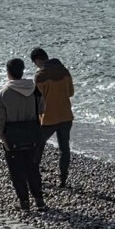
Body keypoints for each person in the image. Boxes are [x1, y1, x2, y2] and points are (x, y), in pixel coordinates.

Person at [0, 57, 46, 211]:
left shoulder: (4, 94)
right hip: (32, 135)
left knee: (17, 171)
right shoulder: (35, 89)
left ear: (8, 72)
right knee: (33, 168)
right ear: (22, 71)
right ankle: (39, 200)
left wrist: (1, 137)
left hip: (12, 137)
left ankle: (23, 202)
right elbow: (42, 109)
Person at [31, 47, 75, 189]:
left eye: (34, 63)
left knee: (37, 145)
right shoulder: (64, 71)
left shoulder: (40, 75)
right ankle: (63, 180)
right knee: (64, 148)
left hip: (48, 118)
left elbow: (37, 100)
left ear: (37, 60)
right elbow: (71, 93)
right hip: (66, 115)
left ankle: (34, 175)